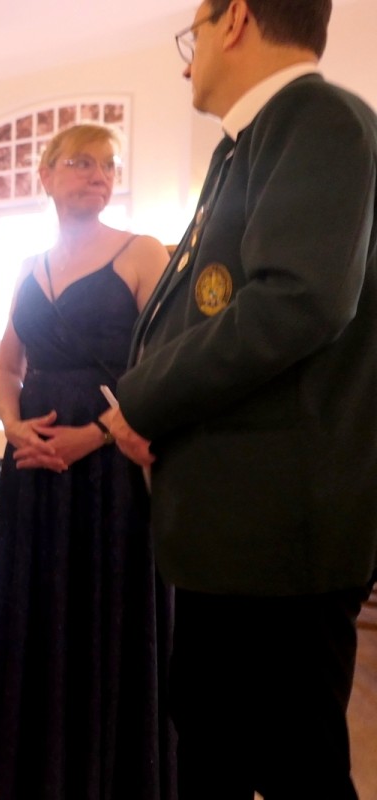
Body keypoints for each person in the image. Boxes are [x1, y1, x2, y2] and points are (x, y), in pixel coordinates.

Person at [105, 1, 377, 797]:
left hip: (277, 534)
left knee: (296, 765)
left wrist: (143, 397)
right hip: (238, 525)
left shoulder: (318, 119)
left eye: (192, 32)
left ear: (236, 21)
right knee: (212, 739)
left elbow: (296, 300)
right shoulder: (253, 140)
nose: (186, 58)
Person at [0, 124, 173, 799]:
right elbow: (7, 368)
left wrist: (97, 434)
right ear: (47, 176)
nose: (98, 175)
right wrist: (12, 426)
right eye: (83, 163)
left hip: (112, 468)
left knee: (108, 607)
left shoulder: (142, 251)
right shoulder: (29, 267)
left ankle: (112, 772)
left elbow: (167, 367)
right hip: (34, 467)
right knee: (37, 602)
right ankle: (39, 765)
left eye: (109, 165)